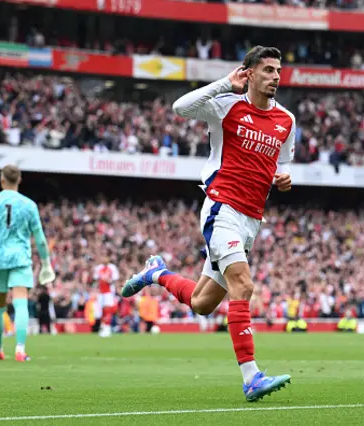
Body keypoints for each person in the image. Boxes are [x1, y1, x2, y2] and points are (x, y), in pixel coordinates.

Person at [121, 46, 295, 402]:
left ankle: (156, 273)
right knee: (242, 285)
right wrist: (224, 84)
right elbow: (180, 108)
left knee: (201, 302)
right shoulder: (227, 105)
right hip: (222, 209)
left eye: (278, 70)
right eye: (267, 70)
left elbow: (277, 163)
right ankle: (251, 377)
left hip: (251, 220)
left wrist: (282, 177)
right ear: (248, 73)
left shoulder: (286, 121)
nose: (276, 77)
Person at [0, 165, 55, 362]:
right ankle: (20, 349)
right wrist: (46, 263)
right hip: (20, 258)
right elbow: (40, 239)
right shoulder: (29, 205)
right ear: (19, 180)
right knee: (21, 303)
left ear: (2, 180)